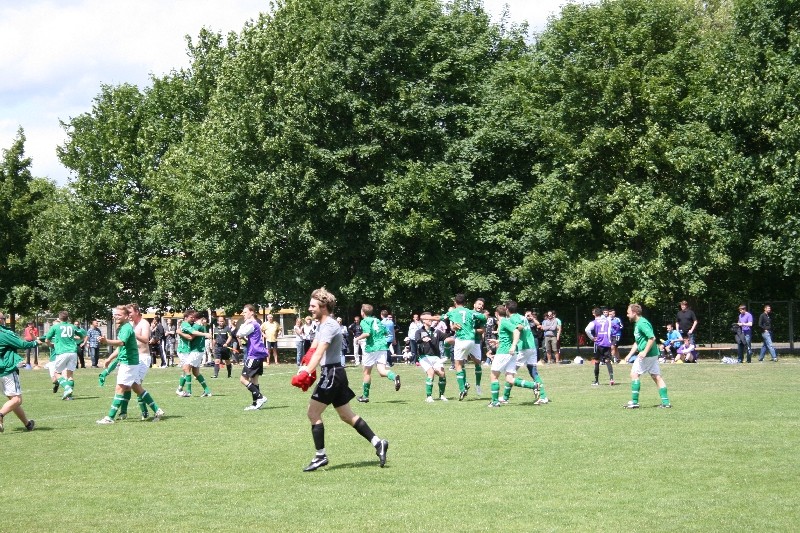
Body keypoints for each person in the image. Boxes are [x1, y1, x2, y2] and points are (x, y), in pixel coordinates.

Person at [295, 288, 388, 471]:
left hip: (332, 374)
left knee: (313, 413)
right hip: (335, 373)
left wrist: (306, 372)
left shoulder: (329, 325)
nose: (310, 309)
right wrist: (305, 363)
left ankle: (320, 456)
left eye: (313, 306)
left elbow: (320, 351)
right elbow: (314, 347)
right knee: (347, 415)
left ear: (323, 306)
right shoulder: (322, 324)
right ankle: (379, 443)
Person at [96, 305, 164, 424]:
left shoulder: (127, 328)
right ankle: (157, 410)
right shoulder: (125, 327)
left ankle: (110, 417)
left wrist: (106, 341)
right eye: (115, 314)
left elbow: (121, 342)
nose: (116, 316)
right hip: (131, 361)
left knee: (120, 387)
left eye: (119, 315)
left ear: (127, 316)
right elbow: (122, 346)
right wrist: (110, 358)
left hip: (129, 362)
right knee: (136, 387)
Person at [486, 303, 539, 407]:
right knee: (509, 379)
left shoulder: (504, 321)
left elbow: (516, 331)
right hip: (511, 353)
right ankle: (533, 385)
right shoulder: (506, 321)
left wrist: (513, 345)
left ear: (496, 314)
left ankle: (495, 402)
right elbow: (508, 336)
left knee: (494, 376)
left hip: (504, 352)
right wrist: (498, 341)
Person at [624, 304, 671, 409]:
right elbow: (638, 342)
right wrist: (629, 354)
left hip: (647, 355)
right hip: (652, 354)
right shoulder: (637, 324)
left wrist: (644, 352)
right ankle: (666, 403)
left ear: (634, 313)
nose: (627, 315)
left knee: (634, 374)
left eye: (628, 313)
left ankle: (634, 402)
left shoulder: (642, 323)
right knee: (656, 376)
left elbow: (652, 338)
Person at [0, 311, 38, 432]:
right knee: (17, 400)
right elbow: (21, 344)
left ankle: (27, 424)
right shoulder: (3, 333)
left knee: (12, 401)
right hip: (7, 370)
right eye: (3, 318)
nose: (4, 320)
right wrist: (36, 342)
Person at [354, 304, 400, 402]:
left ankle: (365, 396)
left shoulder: (364, 321)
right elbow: (386, 332)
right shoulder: (377, 320)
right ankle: (394, 376)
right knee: (382, 371)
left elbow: (367, 333)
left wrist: (357, 338)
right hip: (382, 347)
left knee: (367, 373)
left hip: (371, 348)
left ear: (362, 313)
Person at [42, 311, 86, 400]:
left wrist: (51, 345)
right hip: (73, 352)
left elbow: (47, 340)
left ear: (59, 318)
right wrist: (73, 339)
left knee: (57, 373)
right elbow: (82, 336)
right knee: (70, 375)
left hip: (62, 352)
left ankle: (67, 387)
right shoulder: (72, 326)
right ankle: (69, 396)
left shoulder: (55, 327)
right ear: (68, 318)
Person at [237, 304, 268, 410]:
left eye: (245, 312)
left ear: (251, 312)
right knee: (254, 379)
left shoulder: (252, 324)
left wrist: (244, 323)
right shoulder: (256, 324)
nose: (243, 314)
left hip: (254, 355)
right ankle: (255, 404)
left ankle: (260, 397)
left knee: (243, 379)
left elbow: (239, 334)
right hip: (258, 354)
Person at [175, 311, 212, 397]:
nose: (193, 319)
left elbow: (190, 337)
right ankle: (207, 391)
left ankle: (187, 391)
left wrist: (179, 332)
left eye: (193, 317)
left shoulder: (196, 326)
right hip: (191, 350)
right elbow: (190, 336)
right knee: (195, 372)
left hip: (194, 351)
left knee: (186, 369)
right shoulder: (195, 325)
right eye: (191, 317)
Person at [415, 313, 448, 401]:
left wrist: (454, 331)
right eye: (428, 318)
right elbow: (417, 340)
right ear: (423, 320)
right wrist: (422, 339)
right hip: (424, 357)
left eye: (431, 318)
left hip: (435, 357)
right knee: (431, 373)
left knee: (442, 374)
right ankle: (429, 397)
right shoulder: (419, 331)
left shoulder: (436, 331)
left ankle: (442, 395)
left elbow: (446, 336)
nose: (431, 320)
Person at [586, 308, 615, 386]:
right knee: (608, 361)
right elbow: (609, 331)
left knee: (597, 361)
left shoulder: (594, 322)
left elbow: (587, 330)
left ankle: (596, 381)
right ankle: (611, 379)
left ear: (594, 314)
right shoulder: (607, 320)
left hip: (599, 343)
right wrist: (610, 341)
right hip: (607, 343)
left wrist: (592, 338)